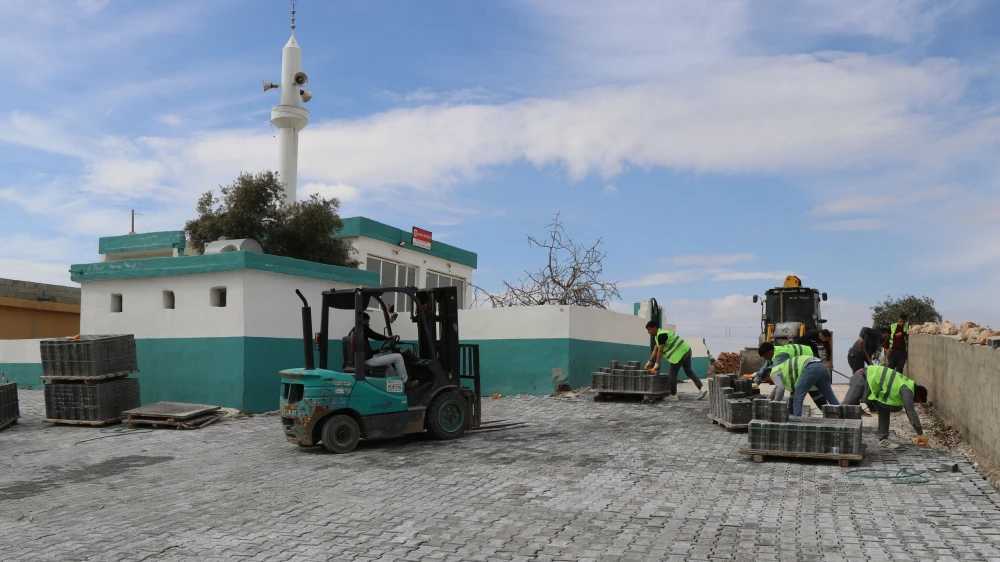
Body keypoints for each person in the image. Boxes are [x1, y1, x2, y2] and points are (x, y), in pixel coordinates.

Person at [842, 364, 930, 449]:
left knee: (885, 407)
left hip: (868, 382)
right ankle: (835, 437)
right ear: (918, 394)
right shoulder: (907, 390)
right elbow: (911, 413)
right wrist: (920, 433)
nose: (914, 403)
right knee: (845, 408)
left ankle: (882, 439)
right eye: (916, 401)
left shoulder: (907, 385)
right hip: (862, 378)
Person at [754, 342, 831, 410]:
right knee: (800, 389)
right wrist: (756, 382)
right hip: (803, 368)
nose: (764, 358)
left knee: (810, 390)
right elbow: (765, 369)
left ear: (770, 352)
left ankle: (826, 410)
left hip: (809, 364)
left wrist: (772, 402)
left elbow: (779, 385)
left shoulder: (781, 355)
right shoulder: (774, 352)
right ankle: (828, 409)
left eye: (764, 356)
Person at [644, 322, 708, 401]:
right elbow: (655, 350)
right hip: (687, 350)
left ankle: (673, 394)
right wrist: (649, 363)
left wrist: (656, 366)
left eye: (649, 329)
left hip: (679, 354)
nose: (648, 332)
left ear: (655, 327)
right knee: (689, 371)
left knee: (672, 374)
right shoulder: (660, 335)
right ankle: (702, 388)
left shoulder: (661, 335)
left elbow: (660, 351)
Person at [763, 355, 840, 417]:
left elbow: (780, 388)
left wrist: (775, 404)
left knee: (798, 396)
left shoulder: (773, 372)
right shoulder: (781, 368)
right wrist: (768, 399)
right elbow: (777, 388)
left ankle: (798, 420)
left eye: (767, 381)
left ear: (768, 375)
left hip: (810, 367)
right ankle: (840, 415)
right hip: (822, 366)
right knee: (830, 395)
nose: (769, 384)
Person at [357, 312, 409, 383]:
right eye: (367, 321)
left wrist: (379, 350)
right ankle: (404, 382)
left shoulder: (354, 331)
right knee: (398, 357)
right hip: (368, 360)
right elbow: (374, 335)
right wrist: (386, 338)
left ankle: (394, 379)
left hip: (365, 359)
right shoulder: (362, 328)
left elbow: (365, 352)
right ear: (362, 320)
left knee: (382, 356)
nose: (368, 324)